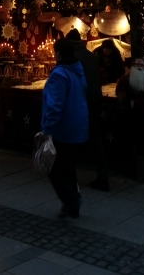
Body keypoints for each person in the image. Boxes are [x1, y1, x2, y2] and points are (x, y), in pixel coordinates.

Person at [41, 37, 89, 218]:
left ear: (58, 53)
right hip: (78, 126)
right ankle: (72, 205)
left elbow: (55, 105)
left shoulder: (59, 74)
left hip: (63, 129)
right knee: (68, 166)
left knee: (53, 166)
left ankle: (71, 200)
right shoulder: (77, 71)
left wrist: (47, 129)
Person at [66, 29, 110, 191]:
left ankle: (69, 178)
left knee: (71, 140)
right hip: (94, 102)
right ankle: (102, 175)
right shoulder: (91, 57)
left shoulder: (72, 59)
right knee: (96, 139)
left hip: (79, 103)